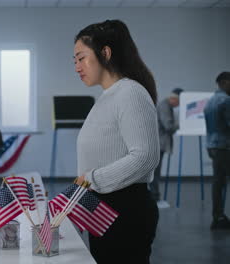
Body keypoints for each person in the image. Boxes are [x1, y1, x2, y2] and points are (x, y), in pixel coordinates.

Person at [73, 20, 160, 263]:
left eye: (81, 58)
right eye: (75, 61)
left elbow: (145, 157)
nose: (77, 66)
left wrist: (91, 179)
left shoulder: (130, 93)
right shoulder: (106, 97)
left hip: (124, 210)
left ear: (106, 53)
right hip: (102, 207)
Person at [204, 71, 230, 230]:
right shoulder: (226, 100)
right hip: (224, 146)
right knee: (220, 183)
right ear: (226, 82)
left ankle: (218, 215)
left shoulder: (210, 101)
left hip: (212, 145)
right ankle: (219, 216)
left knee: (218, 182)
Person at [150, 87, 183, 204]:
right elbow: (168, 126)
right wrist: (181, 123)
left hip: (158, 143)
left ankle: (154, 197)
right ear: (174, 99)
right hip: (159, 144)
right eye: (179, 102)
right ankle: (154, 198)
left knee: (155, 172)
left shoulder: (165, 105)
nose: (179, 105)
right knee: (155, 172)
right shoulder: (165, 106)